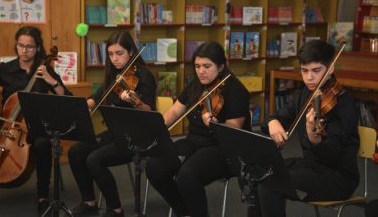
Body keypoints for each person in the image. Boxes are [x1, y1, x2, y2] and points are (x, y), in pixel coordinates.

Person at [145, 41, 252, 217]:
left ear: (221, 66)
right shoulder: (196, 84)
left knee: (187, 175)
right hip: (194, 143)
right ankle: (184, 210)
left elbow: (234, 127)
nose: (201, 71)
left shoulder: (235, 90)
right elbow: (174, 111)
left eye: (207, 66)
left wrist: (215, 124)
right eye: (197, 66)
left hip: (223, 149)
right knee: (155, 167)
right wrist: (154, 128)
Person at [259, 39, 359, 217]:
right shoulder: (304, 94)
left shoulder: (344, 103)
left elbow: (332, 154)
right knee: (258, 172)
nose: (309, 78)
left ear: (331, 69)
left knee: (272, 183)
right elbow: (279, 116)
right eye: (304, 71)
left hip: (338, 177)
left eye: (316, 71)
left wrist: (315, 139)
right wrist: (272, 121)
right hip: (311, 166)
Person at [0, 26, 72, 214]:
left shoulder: (44, 70)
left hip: (36, 126)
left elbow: (67, 98)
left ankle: (43, 195)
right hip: (5, 123)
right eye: (21, 45)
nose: (24, 50)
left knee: (43, 145)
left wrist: (50, 80)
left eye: (29, 46)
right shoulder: (6, 69)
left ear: (37, 48)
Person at [68, 31, 156, 217]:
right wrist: (86, 105)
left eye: (120, 53)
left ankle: (115, 209)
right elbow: (98, 95)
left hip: (137, 137)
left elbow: (150, 112)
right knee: (76, 152)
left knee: (94, 160)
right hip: (116, 133)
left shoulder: (144, 76)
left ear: (131, 52)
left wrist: (136, 102)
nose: (114, 59)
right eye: (110, 54)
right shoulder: (115, 74)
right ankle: (89, 202)